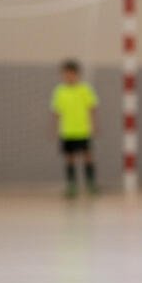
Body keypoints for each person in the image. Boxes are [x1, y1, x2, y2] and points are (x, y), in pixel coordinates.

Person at [50, 59, 98, 198]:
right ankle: (72, 186)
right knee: (69, 158)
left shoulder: (85, 89)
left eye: (71, 73)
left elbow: (92, 108)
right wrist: (54, 128)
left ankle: (91, 183)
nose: (68, 76)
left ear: (77, 74)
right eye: (66, 74)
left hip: (83, 130)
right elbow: (56, 112)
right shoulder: (60, 91)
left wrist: (94, 125)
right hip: (67, 131)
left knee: (88, 156)